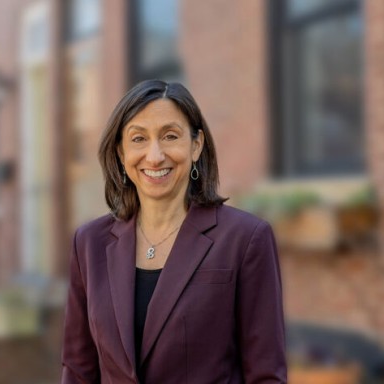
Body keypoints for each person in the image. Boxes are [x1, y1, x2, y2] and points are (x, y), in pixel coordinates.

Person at [61, 79, 287, 383]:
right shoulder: (89, 243)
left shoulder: (245, 239)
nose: (154, 156)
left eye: (169, 136)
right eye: (138, 139)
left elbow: (265, 375)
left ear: (196, 145)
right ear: (120, 152)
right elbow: (78, 370)